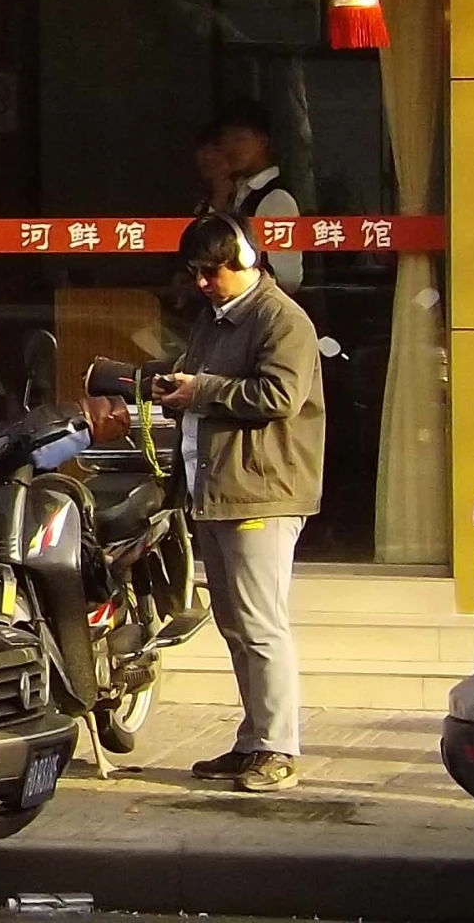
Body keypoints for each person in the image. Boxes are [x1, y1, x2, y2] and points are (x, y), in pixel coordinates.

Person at [152, 212, 326, 795]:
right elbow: (200, 383)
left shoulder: (282, 321)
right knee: (235, 623)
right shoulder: (214, 321)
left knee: (261, 624)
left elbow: (280, 395)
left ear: (246, 262)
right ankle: (254, 740)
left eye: (212, 271)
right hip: (217, 488)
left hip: (263, 490)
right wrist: (175, 389)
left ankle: (278, 748)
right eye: (195, 273)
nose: (202, 283)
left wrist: (200, 389)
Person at [216, 100, 303, 294]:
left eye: (239, 138)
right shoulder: (236, 191)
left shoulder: (276, 198)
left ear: (262, 142)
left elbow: (287, 278)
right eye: (225, 140)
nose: (230, 148)